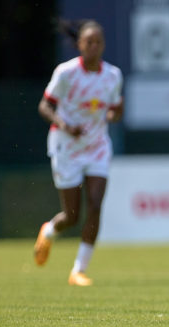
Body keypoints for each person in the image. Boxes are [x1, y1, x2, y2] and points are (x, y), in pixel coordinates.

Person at [33, 19, 124, 286]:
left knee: (95, 205)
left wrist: (112, 113)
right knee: (71, 216)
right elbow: (44, 106)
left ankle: (78, 270)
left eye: (98, 42)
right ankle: (49, 230)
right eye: (88, 42)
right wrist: (63, 124)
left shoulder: (112, 75)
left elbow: (117, 109)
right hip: (66, 146)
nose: (94, 46)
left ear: (103, 45)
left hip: (96, 146)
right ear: (80, 44)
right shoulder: (66, 72)